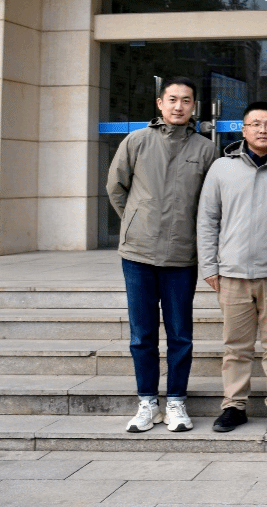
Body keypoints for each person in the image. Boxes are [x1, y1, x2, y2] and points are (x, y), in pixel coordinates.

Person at [106, 75, 217, 433]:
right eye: (172, 99)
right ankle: (147, 402)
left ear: (194, 106)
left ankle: (177, 402)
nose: (178, 106)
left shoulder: (205, 149)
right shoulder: (137, 141)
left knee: (180, 334)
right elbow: (116, 187)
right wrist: (136, 221)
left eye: (186, 100)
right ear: (160, 103)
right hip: (138, 254)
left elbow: (210, 204)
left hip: (182, 257)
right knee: (142, 334)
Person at [197, 102, 267, 435]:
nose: (262, 130)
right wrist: (209, 265)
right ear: (243, 130)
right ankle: (234, 406)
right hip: (232, 273)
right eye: (255, 124)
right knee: (236, 346)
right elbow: (207, 219)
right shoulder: (221, 168)